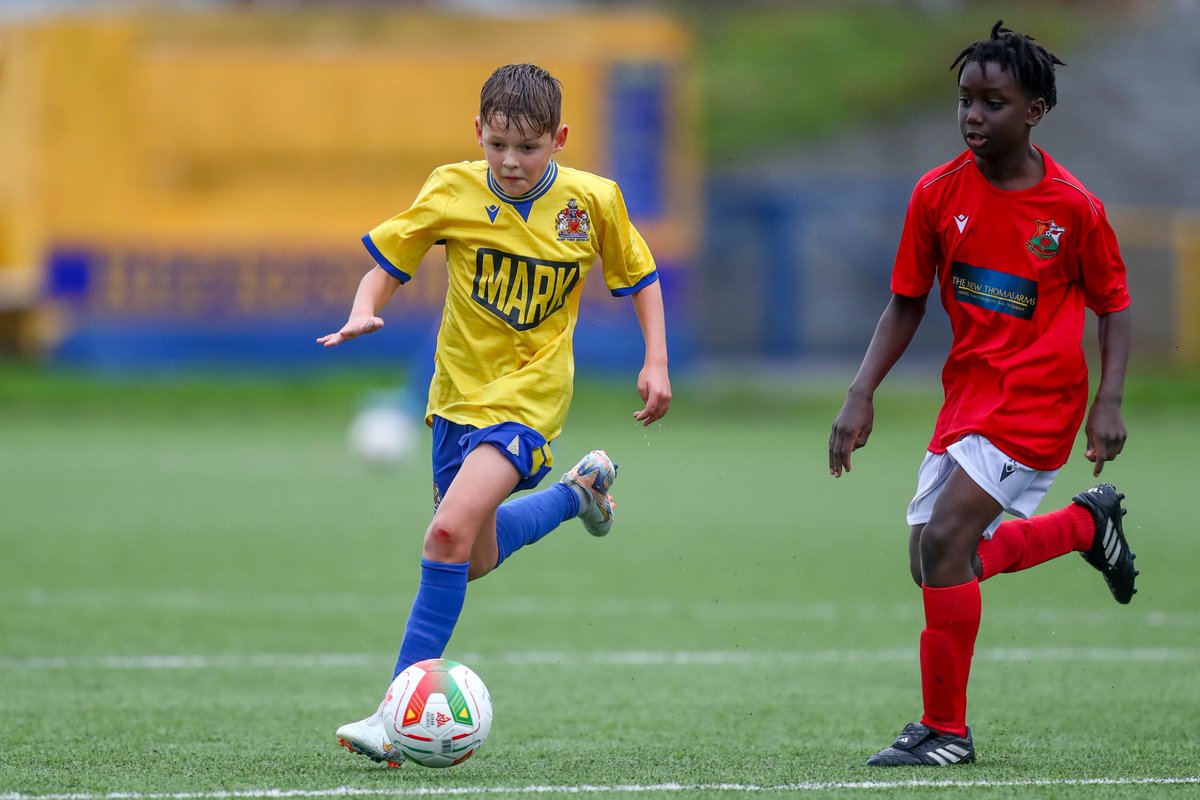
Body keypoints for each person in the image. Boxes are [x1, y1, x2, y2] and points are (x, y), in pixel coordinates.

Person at [318, 63, 672, 765]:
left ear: (560, 139)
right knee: (470, 557)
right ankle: (580, 494)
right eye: (499, 145)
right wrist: (364, 310)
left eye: (529, 147)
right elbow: (389, 262)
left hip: (529, 404)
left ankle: (395, 715)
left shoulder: (592, 202)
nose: (511, 162)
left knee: (446, 530)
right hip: (453, 401)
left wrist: (655, 361)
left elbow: (641, 276)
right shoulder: (451, 187)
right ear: (478, 132)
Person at [827, 21, 1137, 767]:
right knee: (930, 559)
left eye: (992, 103)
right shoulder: (937, 194)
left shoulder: (1072, 208)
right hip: (970, 396)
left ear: (1032, 111)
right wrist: (860, 393)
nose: (972, 116)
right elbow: (906, 301)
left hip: (1040, 401)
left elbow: (1114, 304)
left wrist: (1110, 400)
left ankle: (946, 731)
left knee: (944, 544)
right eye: (966, 100)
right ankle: (1084, 529)